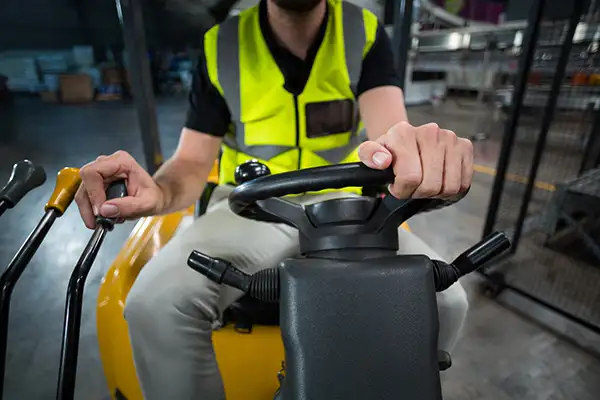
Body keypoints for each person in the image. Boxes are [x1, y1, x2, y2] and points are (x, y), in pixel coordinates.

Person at [75, 0, 473, 398]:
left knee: (447, 300)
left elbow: (391, 130)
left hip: (345, 210)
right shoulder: (222, 45)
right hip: (251, 208)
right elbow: (193, 161)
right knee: (155, 304)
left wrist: (415, 150)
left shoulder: (362, 31)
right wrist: (159, 191)